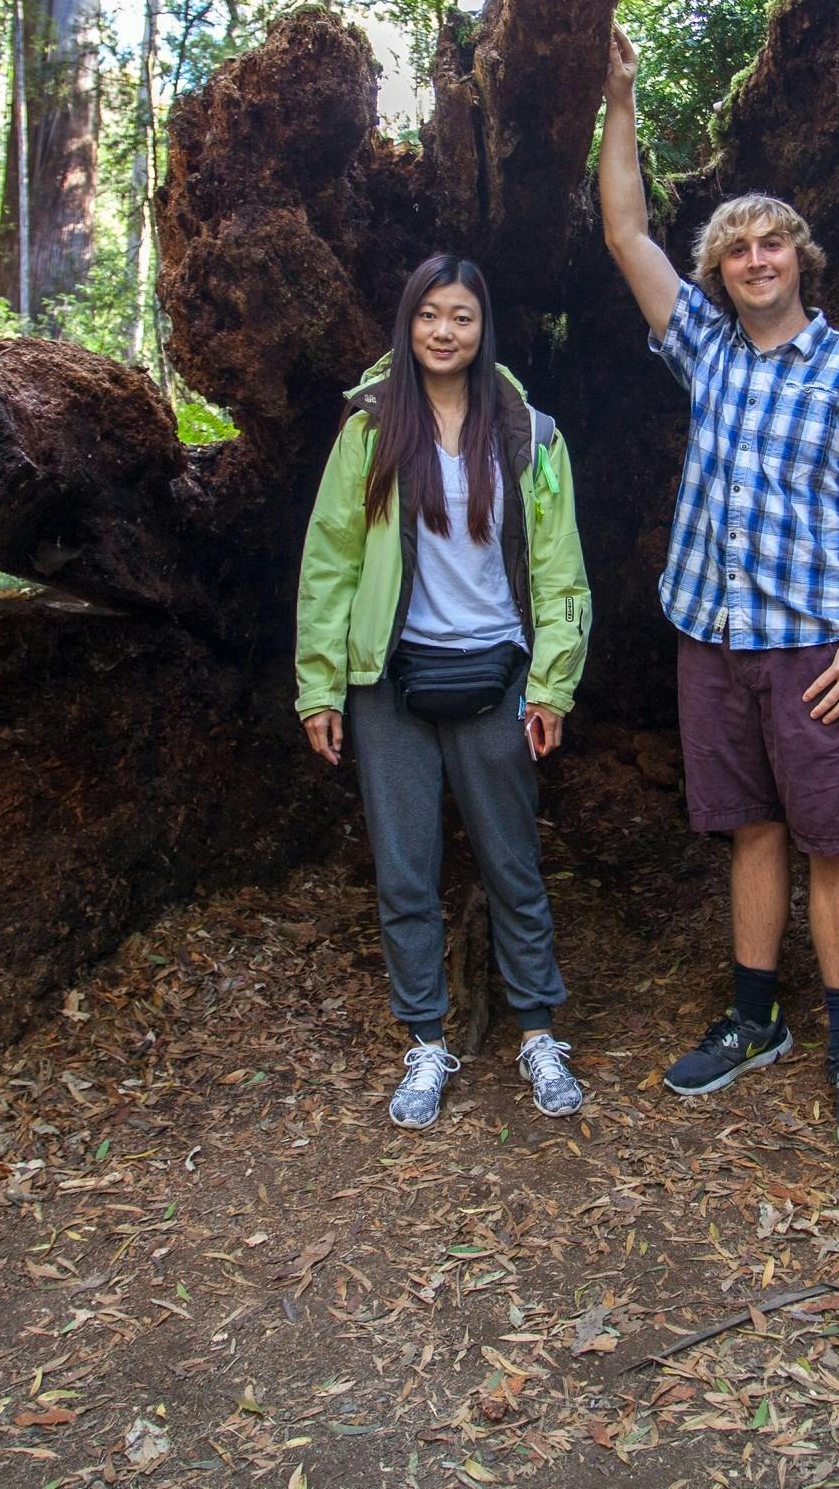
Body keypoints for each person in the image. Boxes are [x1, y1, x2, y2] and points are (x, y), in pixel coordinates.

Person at [597, 25, 839, 1157]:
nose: (755, 259)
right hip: (714, 636)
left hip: (820, 650)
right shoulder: (705, 351)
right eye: (736, 247)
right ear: (719, 274)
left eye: (772, 243)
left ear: (802, 259)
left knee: (836, 839)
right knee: (748, 828)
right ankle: (755, 1020)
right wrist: (621, 97)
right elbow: (625, 229)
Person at [295, 255, 594, 1131]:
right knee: (406, 869)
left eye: (461, 315)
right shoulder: (369, 430)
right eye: (429, 314)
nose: (444, 331)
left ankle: (537, 1028)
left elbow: (560, 567)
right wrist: (320, 687)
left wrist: (552, 685)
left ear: (481, 327)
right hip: (390, 679)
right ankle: (426, 1038)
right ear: (408, 322)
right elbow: (330, 561)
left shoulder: (529, 435)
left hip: (497, 672)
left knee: (512, 861)